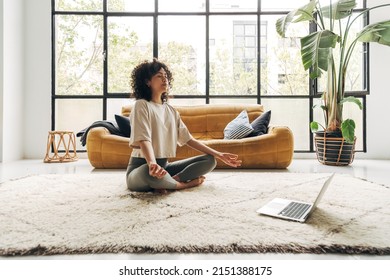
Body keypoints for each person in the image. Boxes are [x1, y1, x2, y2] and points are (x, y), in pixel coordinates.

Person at [126, 58, 241, 192]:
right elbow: (144, 139)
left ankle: (173, 180)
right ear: (147, 81)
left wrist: (219, 154)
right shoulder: (142, 105)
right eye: (159, 76)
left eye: (166, 76)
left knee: (210, 160)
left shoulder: (171, 111)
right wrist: (152, 163)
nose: (165, 79)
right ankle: (184, 185)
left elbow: (188, 139)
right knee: (148, 172)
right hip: (141, 170)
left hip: (163, 168)